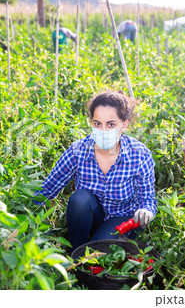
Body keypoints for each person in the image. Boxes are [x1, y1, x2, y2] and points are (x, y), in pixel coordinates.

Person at [33, 91, 157, 251]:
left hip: (122, 218)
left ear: (124, 124)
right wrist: (22, 213)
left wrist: (146, 210)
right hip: (90, 215)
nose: (103, 130)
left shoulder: (139, 154)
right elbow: (48, 188)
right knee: (80, 199)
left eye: (111, 124)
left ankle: (91, 250)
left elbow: (148, 198)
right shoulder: (78, 151)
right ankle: (75, 251)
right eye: (97, 124)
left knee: (97, 249)